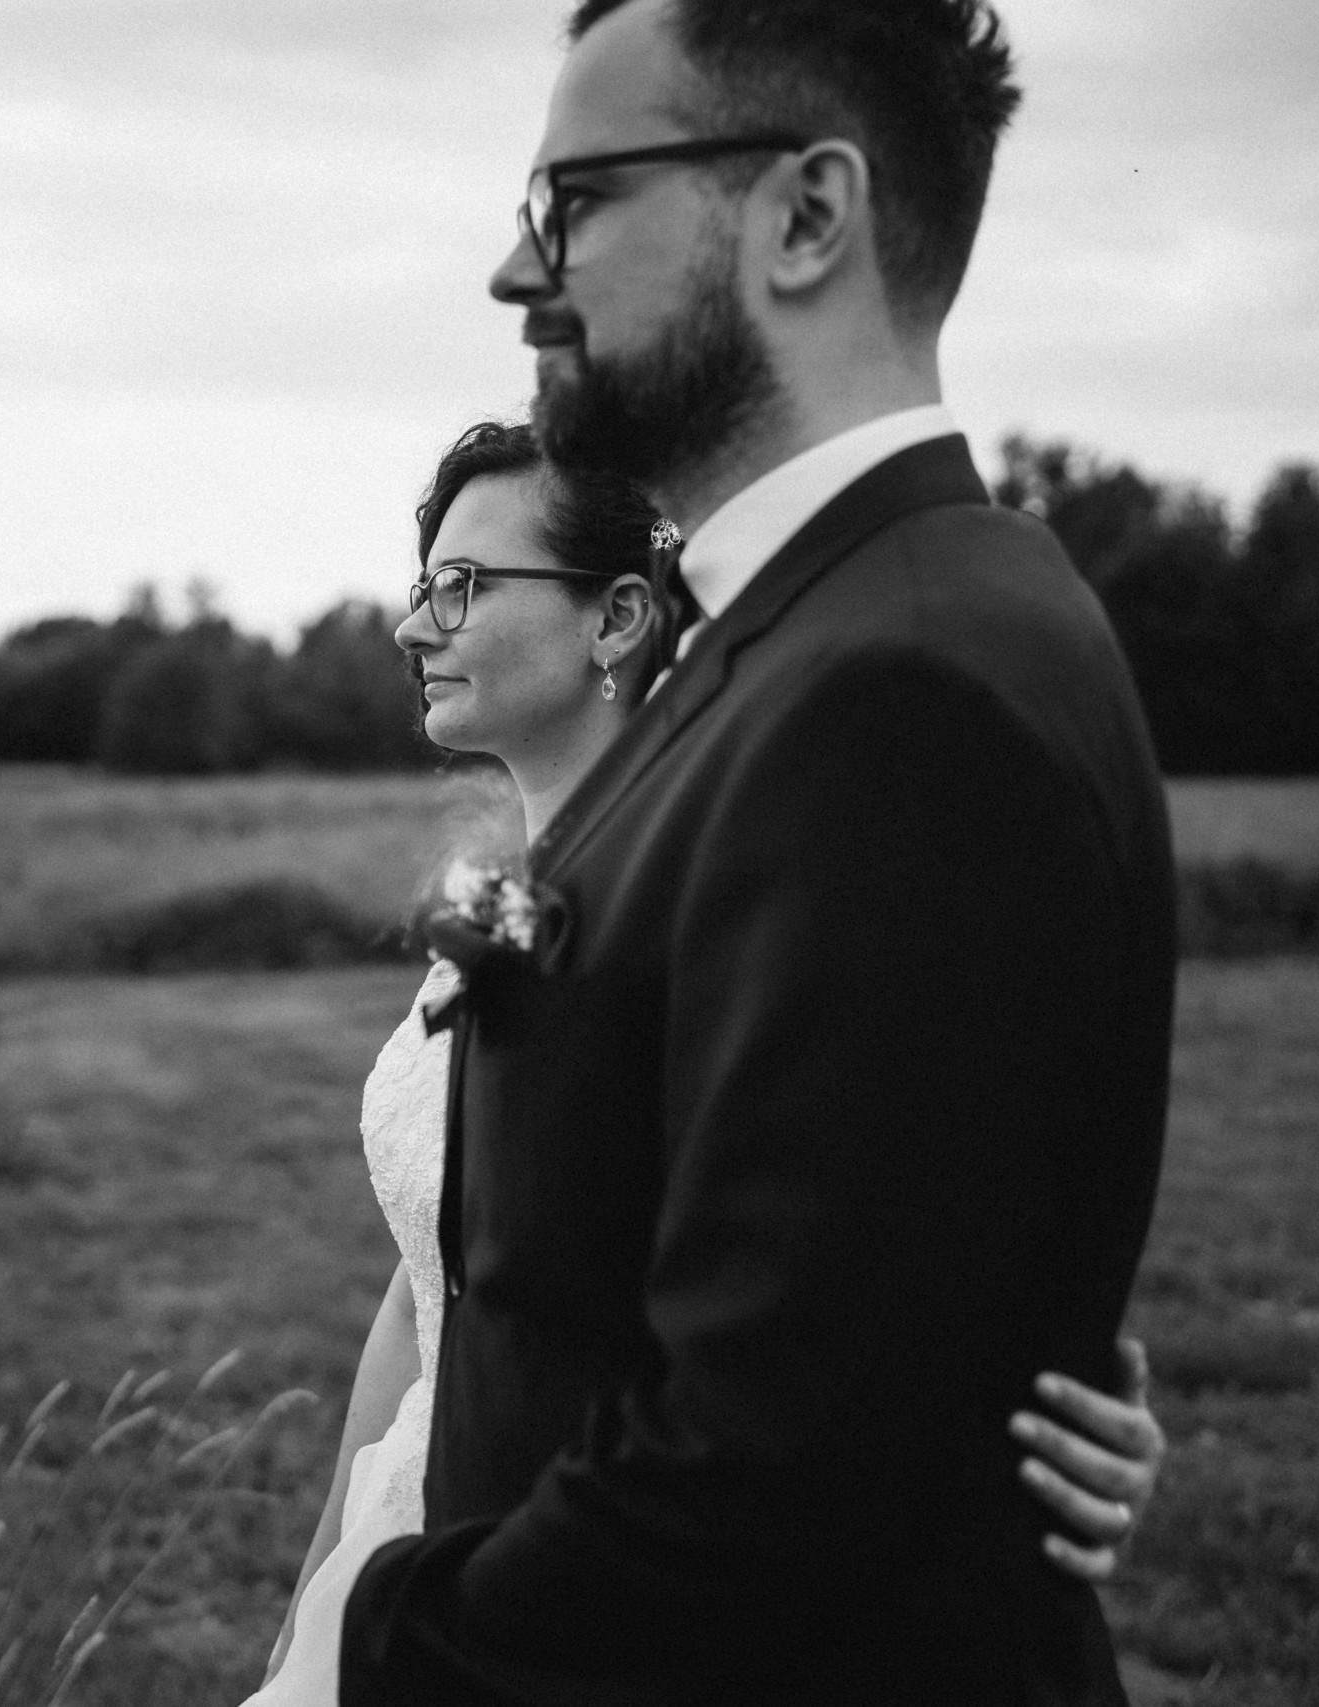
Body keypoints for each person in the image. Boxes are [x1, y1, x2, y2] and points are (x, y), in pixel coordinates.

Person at [338, 0, 1180, 1698]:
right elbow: (857, 1276)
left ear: (808, 216)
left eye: (576, 199)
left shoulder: (901, 686)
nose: (519, 270)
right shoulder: (838, 626)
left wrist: (390, 1642)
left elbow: (770, 1476)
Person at [236, 423, 1167, 1707]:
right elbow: (425, 1290)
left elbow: (847, 1278)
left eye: (461, 587)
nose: (412, 625)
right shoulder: (502, 915)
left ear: (618, 617)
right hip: (412, 1535)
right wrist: (325, 1582)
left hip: (603, 1587)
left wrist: (1030, 1412)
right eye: (421, 585)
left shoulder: (734, 903)